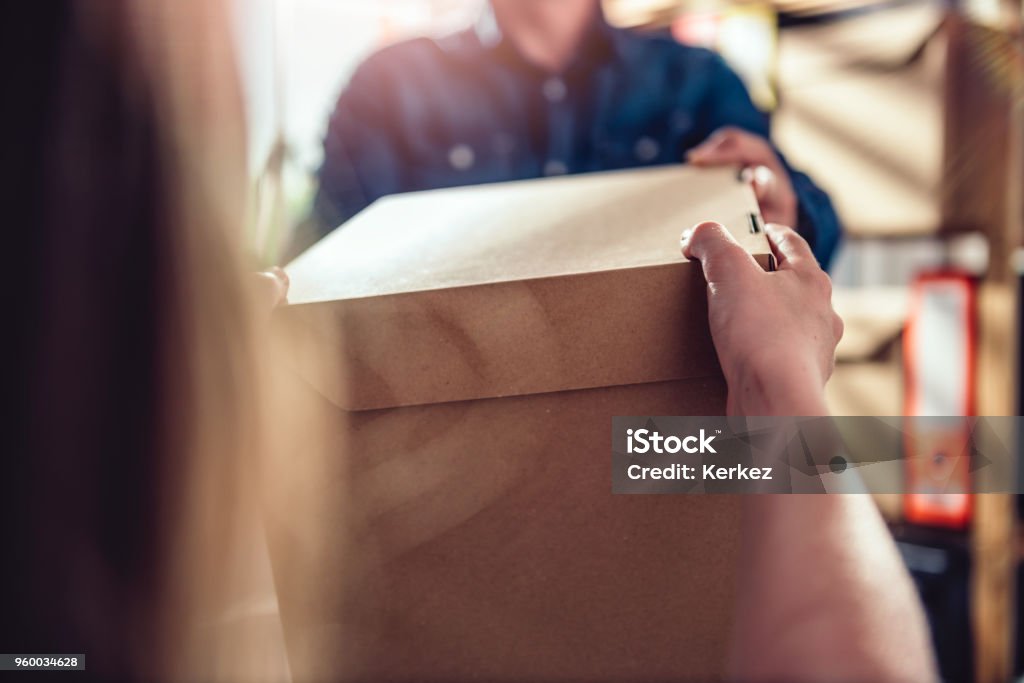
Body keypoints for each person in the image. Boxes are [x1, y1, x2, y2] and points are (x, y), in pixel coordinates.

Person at [2, 0, 931, 680]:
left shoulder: (696, 81)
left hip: (672, 477)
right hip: (432, 528)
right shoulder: (391, 86)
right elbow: (317, 281)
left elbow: (807, 237)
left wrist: (781, 197)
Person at [303, 0, 842, 268]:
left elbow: (821, 222)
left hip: (658, 445)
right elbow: (317, 263)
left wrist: (786, 217)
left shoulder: (697, 80)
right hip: (441, 448)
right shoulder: (388, 87)